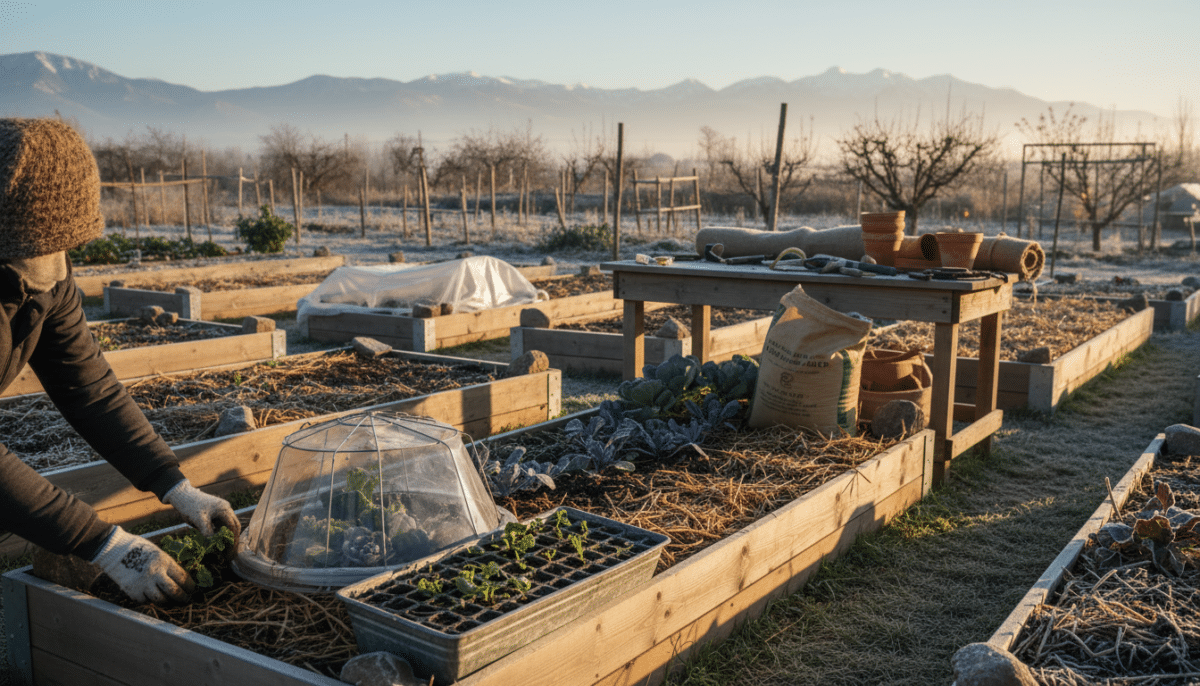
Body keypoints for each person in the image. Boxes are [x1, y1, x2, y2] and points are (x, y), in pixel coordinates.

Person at [0, 117, 240, 604]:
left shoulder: (49, 281)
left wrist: (175, 485)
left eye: (65, 243)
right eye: (42, 247)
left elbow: (90, 389)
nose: (58, 265)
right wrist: (105, 545)